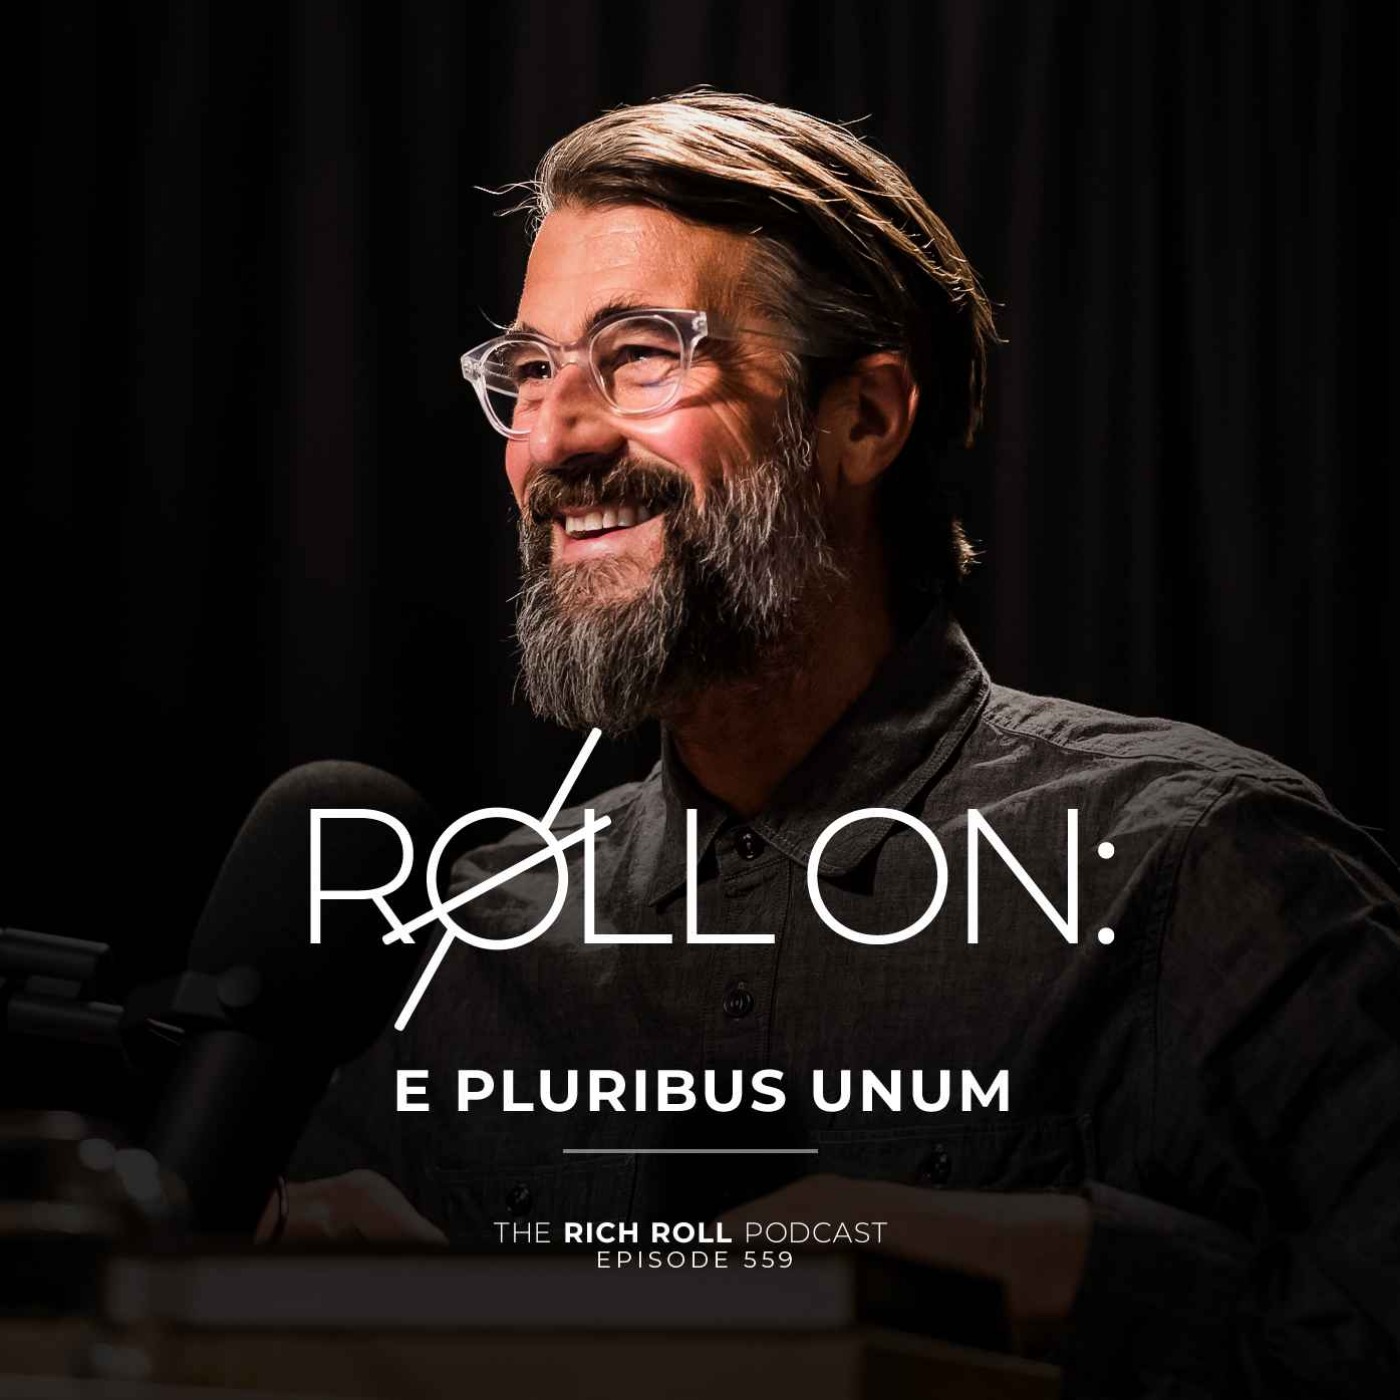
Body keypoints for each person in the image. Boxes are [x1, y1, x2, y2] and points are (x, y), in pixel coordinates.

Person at [278, 91, 1400, 1396]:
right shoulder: (468, 950)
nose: (557, 436)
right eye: (528, 373)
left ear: (863, 418)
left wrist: (1041, 1268)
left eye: (639, 355)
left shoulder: (1195, 873)